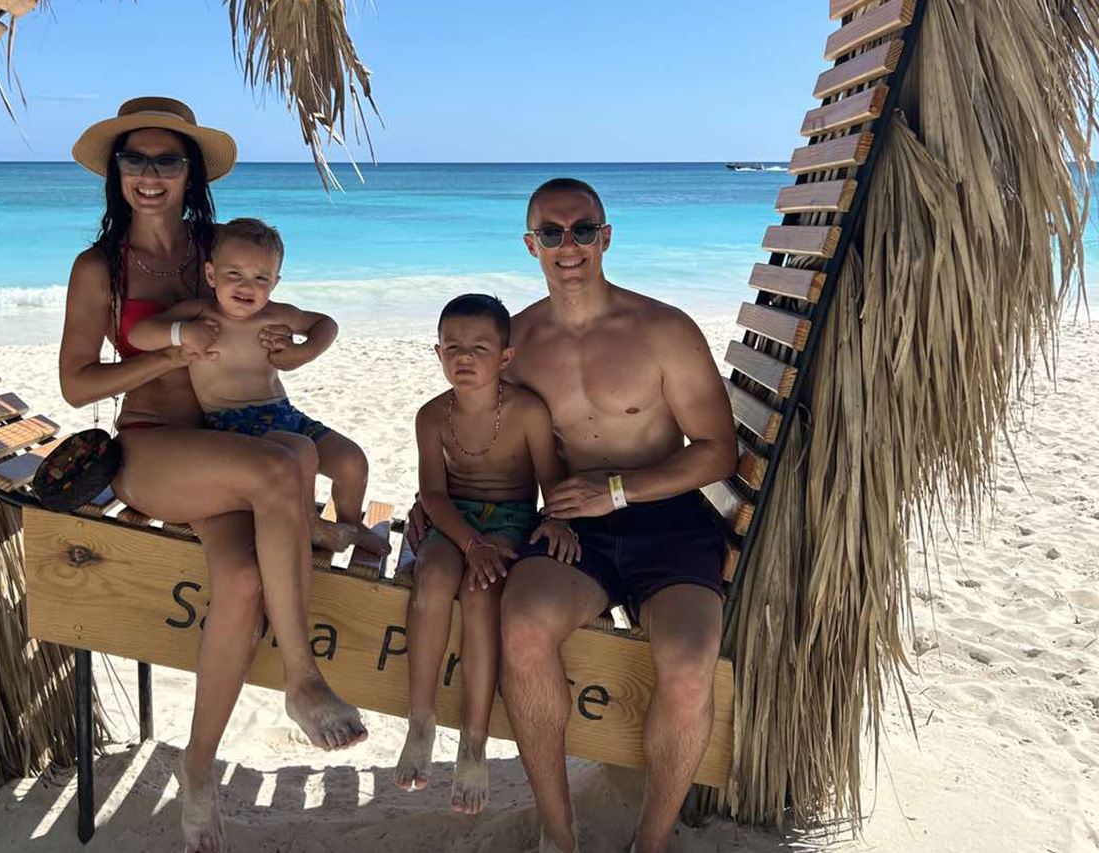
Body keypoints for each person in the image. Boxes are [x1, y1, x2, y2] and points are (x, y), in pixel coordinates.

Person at [58, 97, 367, 853]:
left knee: (242, 575)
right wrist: (168, 355)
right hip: (155, 448)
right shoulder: (100, 267)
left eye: (168, 159)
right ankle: (302, 676)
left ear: (190, 172)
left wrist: (293, 347)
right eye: (134, 159)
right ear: (116, 171)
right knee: (284, 462)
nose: (150, 174)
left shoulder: (218, 248)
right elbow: (75, 384)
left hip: (225, 447)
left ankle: (197, 768)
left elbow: (278, 318)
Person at [407, 178, 737, 853]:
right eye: (551, 232)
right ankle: (558, 835)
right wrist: (431, 499)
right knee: (524, 628)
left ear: (605, 237)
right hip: (571, 527)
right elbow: (479, 428)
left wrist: (617, 489)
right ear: (530, 244)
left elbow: (717, 451)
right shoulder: (519, 342)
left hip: (669, 519)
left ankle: (650, 843)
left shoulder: (662, 330)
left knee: (688, 664)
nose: (568, 245)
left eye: (582, 229)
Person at [392, 294, 579, 815]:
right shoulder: (432, 416)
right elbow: (433, 494)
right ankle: (421, 721)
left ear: (505, 357)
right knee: (432, 579)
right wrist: (468, 543)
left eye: (479, 348)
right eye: (452, 347)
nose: (464, 358)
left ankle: (472, 744)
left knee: (480, 594)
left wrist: (557, 519)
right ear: (437, 353)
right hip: (455, 521)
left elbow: (550, 483)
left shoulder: (527, 411)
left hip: (512, 521)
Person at [125, 217, 390, 557]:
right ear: (211, 275)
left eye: (260, 278)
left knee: (353, 462)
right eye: (234, 273)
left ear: (275, 283)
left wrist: (302, 353)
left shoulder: (277, 315)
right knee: (300, 451)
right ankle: (311, 526)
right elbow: (139, 334)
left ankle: (352, 524)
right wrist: (181, 333)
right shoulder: (198, 314)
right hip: (231, 426)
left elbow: (326, 324)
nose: (246, 286)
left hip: (284, 414)